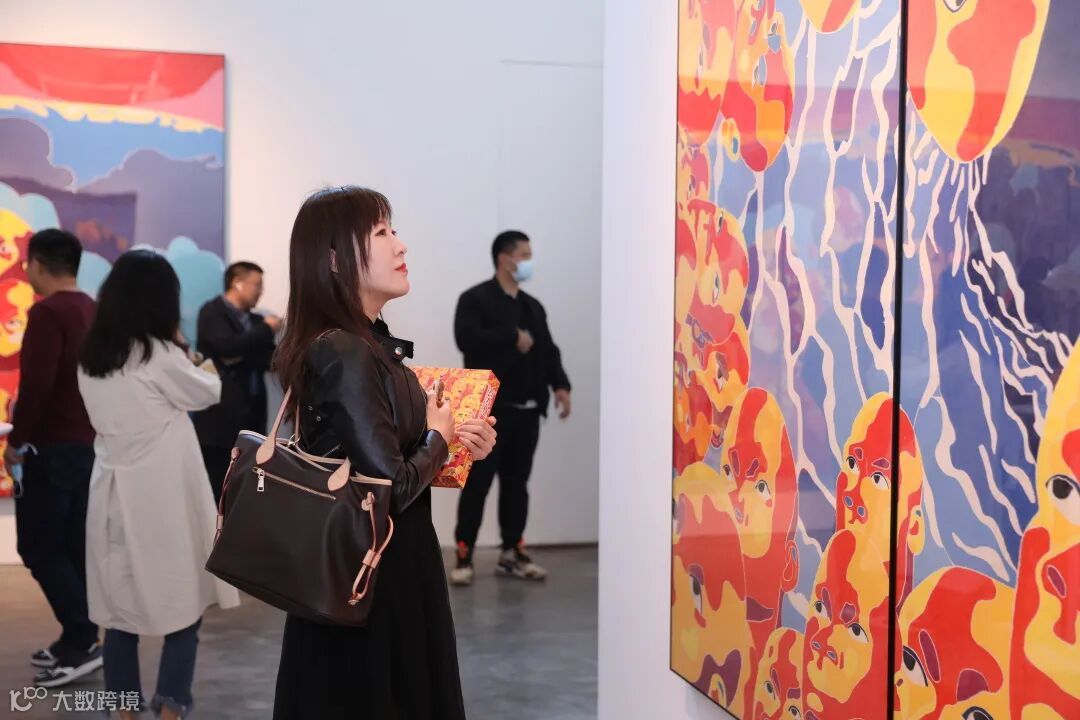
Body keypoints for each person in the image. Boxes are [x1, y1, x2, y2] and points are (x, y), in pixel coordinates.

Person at [271, 186, 497, 719]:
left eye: (393, 229)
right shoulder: (346, 350)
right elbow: (388, 488)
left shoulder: (364, 343)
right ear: (334, 259)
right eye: (380, 232)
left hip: (375, 569)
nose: (400, 244)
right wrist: (437, 439)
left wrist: (455, 442)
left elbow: (377, 460)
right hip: (373, 580)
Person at [77, 250, 240, 720]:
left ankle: (123, 709)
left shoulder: (93, 355)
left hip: (111, 493)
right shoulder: (159, 354)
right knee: (182, 603)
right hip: (164, 499)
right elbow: (208, 390)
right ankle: (171, 706)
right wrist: (185, 347)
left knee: (118, 613)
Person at [5, 229, 100, 688]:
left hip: (49, 449)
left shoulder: (47, 313)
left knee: (39, 547)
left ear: (39, 264)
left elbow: (37, 385)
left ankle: (82, 641)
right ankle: (77, 635)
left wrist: (16, 441)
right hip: (85, 447)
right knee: (71, 545)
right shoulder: (91, 309)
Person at [450, 230, 571, 585]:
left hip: (528, 411)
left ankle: (512, 553)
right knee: (478, 483)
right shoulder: (475, 299)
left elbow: (548, 349)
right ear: (505, 259)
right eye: (525, 255)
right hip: (489, 413)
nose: (529, 262)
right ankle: (464, 554)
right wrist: (510, 337)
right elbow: (466, 339)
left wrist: (561, 386)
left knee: (517, 484)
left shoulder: (533, 306)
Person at [193, 261, 281, 502]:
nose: (261, 291)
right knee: (216, 489)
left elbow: (268, 359)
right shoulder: (212, 312)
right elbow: (225, 348)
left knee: (246, 490)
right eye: (257, 285)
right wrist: (265, 331)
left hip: (252, 416)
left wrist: (238, 353)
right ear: (237, 283)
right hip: (218, 420)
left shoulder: (255, 321)